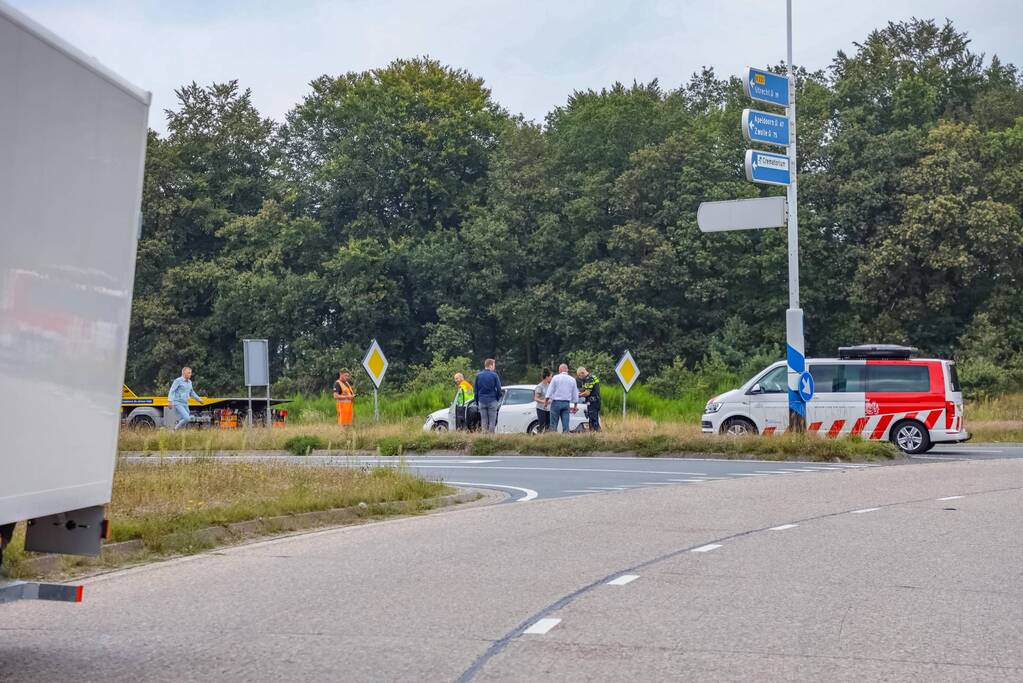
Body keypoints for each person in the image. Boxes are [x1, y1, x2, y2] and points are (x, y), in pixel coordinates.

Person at [545, 364, 579, 433]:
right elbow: (575, 393)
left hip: (556, 403)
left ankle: (553, 437)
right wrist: (575, 406)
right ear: (567, 370)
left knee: (553, 424)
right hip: (566, 403)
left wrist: (546, 401)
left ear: (560, 370)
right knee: (566, 424)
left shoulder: (555, 378)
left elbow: (550, 390)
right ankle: (565, 437)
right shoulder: (572, 379)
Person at [473, 358, 502, 433]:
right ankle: (491, 439)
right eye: (494, 365)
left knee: (484, 420)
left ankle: (484, 439)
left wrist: (476, 401)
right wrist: (498, 398)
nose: (494, 367)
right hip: (492, 400)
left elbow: (475, 390)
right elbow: (499, 388)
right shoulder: (494, 375)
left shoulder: (478, 375)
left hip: (482, 401)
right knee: (492, 421)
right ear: (490, 365)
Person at [577, 366, 602, 432]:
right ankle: (593, 436)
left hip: (593, 402)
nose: (580, 378)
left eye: (579, 375)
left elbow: (587, 393)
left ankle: (599, 435)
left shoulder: (589, 378)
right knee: (591, 421)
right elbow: (584, 389)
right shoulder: (591, 378)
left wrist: (578, 395)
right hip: (594, 402)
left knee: (594, 421)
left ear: (582, 373)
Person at [533, 367, 553, 433]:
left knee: (548, 426)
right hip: (541, 409)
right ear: (547, 377)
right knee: (542, 425)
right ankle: (539, 438)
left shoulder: (550, 385)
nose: (551, 378)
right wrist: (544, 401)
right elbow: (535, 398)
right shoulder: (540, 386)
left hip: (549, 409)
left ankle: (546, 439)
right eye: (550, 376)